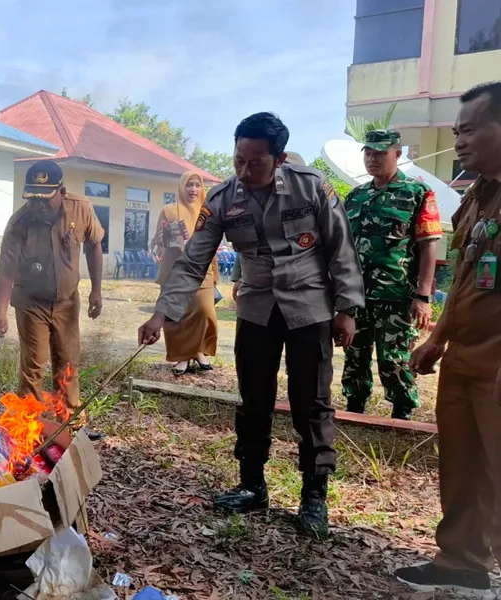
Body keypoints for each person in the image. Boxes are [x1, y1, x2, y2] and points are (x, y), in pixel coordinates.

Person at [137, 112, 364, 537]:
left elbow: (341, 249)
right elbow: (192, 261)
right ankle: (252, 485)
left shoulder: (311, 186)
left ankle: (313, 496)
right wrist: (162, 312)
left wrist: (347, 308)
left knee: (310, 403)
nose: (244, 171)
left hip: (310, 307)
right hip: (258, 308)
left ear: (278, 159)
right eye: (238, 160)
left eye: (255, 162)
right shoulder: (223, 198)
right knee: (253, 399)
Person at [395, 82, 501, 597]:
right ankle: (462, 560)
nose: (458, 141)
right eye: (456, 131)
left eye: (470, 129)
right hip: (465, 358)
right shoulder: (479, 196)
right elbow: (464, 279)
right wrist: (437, 339)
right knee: (463, 465)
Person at [0, 160, 104, 441]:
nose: (38, 206)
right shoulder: (19, 223)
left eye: (45, 199)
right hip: (30, 303)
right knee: (33, 365)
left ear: (61, 191)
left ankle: (71, 423)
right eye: (33, 199)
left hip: (67, 301)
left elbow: (94, 246)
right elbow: (6, 271)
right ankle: (29, 427)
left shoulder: (81, 208)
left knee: (68, 362)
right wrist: (1, 312)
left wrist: (96, 290)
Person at [341, 129, 442, 420]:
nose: (372, 159)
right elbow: (344, 249)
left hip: (397, 296)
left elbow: (428, 246)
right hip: (356, 296)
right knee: (354, 357)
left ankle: (401, 414)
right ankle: (354, 410)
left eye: (380, 153)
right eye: (368, 153)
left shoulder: (417, 193)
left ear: (397, 154)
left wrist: (423, 295)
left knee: (394, 361)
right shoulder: (356, 196)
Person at [152, 171, 219, 375]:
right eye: (189, 185)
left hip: (203, 269)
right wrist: (166, 237)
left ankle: (199, 351)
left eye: (197, 185)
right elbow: (158, 241)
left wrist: (215, 275)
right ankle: (181, 356)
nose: (193, 189)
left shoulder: (208, 211)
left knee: (204, 311)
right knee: (177, 314)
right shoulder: (169, 210)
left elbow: (214, 243)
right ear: (181, 187)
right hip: (175, 269)